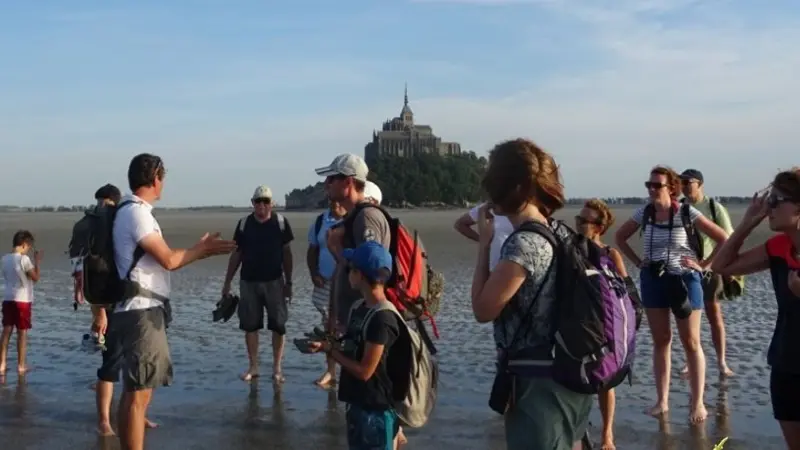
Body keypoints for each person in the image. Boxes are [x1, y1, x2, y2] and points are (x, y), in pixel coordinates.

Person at [108, 153, 236, 450]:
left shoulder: (129, 210)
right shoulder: (137, 214)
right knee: (138, 395)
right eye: (162, 179)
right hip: (140, 312)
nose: (163, 184)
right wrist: (201, 250)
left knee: (136, 392)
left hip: (137, 309)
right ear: (156, 179)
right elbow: (168, 259)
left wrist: (198, 250)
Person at [471, 138, 593, 450]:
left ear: (513, 188)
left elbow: (483, 310)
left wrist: (484, 244)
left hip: (538, 383)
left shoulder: (523, 244)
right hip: (571, 372)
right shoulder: (560, 231)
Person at [615, 165, 728, 424]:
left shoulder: (687, 212)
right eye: (649, 185)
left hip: (685, 280)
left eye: (658, 185)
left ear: (672, 188)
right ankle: (662, 401)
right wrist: (638, 261)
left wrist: (703, 265)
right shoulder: (644, 212)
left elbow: (723, 238)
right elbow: (620, 237)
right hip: (653, 280)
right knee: (661, 340)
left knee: (691, 341)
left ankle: (698, 403)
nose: (652, 190)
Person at [711, 168, 800, 449]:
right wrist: (747, 223)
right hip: (786, 363)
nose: (768, 208)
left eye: (775, 201)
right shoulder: (779, 247)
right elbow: (722, 266)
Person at [306, 241, 401, 450]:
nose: (347, 273)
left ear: (361, 275)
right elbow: (353, 347)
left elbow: (365, 371)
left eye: (351, 269)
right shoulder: (360, 307)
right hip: (356, 404)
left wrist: (330, 350)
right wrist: (328, 342)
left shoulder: (382, 318)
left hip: (376, 411)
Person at [222, 185, 294, 383]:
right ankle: (253, 366)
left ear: (272, 203)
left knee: (278, 326)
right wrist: (227, 282)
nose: (262, 205)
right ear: (252, 203)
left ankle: (277, 368)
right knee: (250, 325)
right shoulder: (244, 224)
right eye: (258, 201)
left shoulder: (281, 223)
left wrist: (289, 282)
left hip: (275, 282)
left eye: (266, 201)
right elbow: (237, 254)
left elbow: (287, 254)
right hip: (249, 282)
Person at [575, 199, 628, 450]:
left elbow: (626, 292)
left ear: (598, 228)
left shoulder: (610, 254)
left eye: (584, 221)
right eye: (578, 219)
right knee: (576, 378)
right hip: (577, 322)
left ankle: (607, 435)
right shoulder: (570, 250)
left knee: (605, 381)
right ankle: (579, 431)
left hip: (604, 324)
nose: (578, 224)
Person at [680, 169, 735, 377]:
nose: (685, 186)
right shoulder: (679, 207)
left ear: (700, 184)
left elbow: (728, 238)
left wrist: (707, 264)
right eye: (682, 182)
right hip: (685, 269)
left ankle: (722, 362)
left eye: (689, 182)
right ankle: (690, 360)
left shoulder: (713, 207)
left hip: (710, 270)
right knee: (687, 317)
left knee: (714, 315)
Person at [307, 197, 347, 388]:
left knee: (348, 326)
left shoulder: (353, 220)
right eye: (332, 200)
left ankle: (351, 369)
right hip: (325, 281)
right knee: (329, 327)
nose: (336, 204)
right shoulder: (319, 222)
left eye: (339, 200)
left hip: (348, 283)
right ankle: (331, 371)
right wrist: (314, 273)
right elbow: (312, 250)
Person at [0, 230, 41, 378]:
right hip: (22, 300)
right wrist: (37, 262)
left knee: (6, 331)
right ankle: (21, 365)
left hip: (8, 297)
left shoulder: (4, 259)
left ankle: (2, 364)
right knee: (22, 333)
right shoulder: (24, 259)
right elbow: (35, 278)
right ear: (24, 244)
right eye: (28, 247)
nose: (28, 250)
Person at [455, 202, 514, 272]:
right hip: (495, 266)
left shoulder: (523, 206)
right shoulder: (490, 206)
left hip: (518, 265)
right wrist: (484, 241)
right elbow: (460, 224)